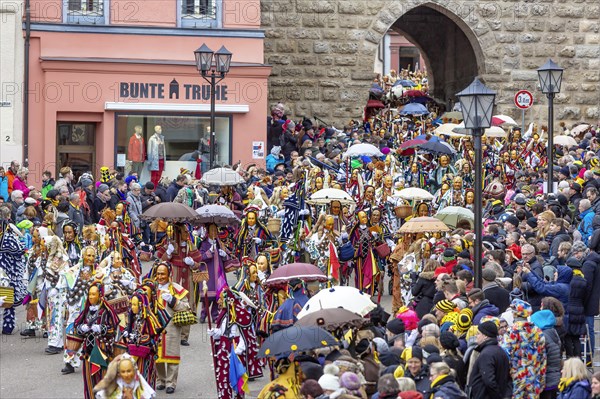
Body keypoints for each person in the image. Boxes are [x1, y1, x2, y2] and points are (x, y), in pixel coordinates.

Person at [151, 261, 190, 394]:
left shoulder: (176, 289)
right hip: (155, 327)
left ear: (169, 275)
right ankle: (161, 380)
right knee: (157, 355)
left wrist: (173, 300)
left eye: (163, 274)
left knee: (172, 354)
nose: (160, 277)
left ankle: (171, 383)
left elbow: (186, 307)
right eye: (158, 274)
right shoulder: (152, 288)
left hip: (172, 326)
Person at [74, 282, 119, 399]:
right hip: (88, 351)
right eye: (89, 294)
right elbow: (76, 327)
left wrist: (101, 328)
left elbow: (113, 330)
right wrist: (81, 328)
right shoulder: (86, 310)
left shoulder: (105, 311)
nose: (91, 297)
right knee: (89, 380)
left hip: (102, 351)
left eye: (93, 294)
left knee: (103, 379)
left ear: (100, 295)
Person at [501, 298, 546, 399]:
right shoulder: (538, 331)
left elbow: (505, 356)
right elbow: (543, 357)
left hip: (516, 380)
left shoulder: (512, 332)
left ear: (515, 314)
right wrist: (542, 381)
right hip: (534, 379)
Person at [467, 321, 511, 399]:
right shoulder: (500, 351)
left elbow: (489, 381)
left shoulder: (486, 354)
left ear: (485, 336)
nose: (476, 336)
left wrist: (497, 396)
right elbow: (508, 379)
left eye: (478, 333)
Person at [0, 206, 27, 335]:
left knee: (6, 294)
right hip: (7, 267)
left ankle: (8, 325)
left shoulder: (8, 231)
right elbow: (18, 249)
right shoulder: (9, 233)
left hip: (6, 265)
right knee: (7, 294)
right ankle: (7, 325)